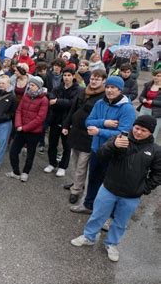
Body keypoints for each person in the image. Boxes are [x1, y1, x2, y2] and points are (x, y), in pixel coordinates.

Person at [71, 116, 160, 262]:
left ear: (150, 132)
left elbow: (158, 173)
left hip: (131, 195)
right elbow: (101, 155)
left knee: (120, 222)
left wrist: (144, 188)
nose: (138, 132)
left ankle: (111, 244)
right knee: (98, 215)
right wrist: (113, 146)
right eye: (136, 128)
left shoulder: (155, 150)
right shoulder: (118, 138)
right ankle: (88, 237)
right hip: (108, 188)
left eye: (143, 130)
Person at [71, 76, 136, 214]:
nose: (109, 90)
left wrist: (99, 131)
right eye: (107, 87)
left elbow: (123, 133)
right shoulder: (100, 103)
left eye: (113, 88)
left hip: (113, 152)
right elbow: (89, 122)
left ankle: (106, 215)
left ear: (120, 90)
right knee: (93, 178)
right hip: (97, 149)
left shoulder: (127, 109)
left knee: (109, 187)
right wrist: (104, 123)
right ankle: (88, 205)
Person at [62, 69, 107, 204]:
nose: (93, 81)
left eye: (97, 79)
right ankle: (77, 183)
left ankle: (76, 191)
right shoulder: (83, 91)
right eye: (93, 78)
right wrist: (66, 125)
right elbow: (73, 110)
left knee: (82, 165)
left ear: (103, 81)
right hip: (75, 133)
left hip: (88, 137)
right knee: (75, 163)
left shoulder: (103, 97)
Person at [6, 76, 48, 182]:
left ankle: (25, 172)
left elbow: (40, 118)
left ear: (38, 86)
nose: (30, 86)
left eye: (33, 85)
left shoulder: (44, 100)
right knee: (13, 151)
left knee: (30, 153)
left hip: (34, 132)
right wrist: (18, 125)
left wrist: (24, 128)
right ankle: (16, 172)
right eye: (30, 84)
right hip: (21, 130)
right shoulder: (26, 96)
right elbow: (19, 111)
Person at [44, 68, 80, 177]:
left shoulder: (78, 90)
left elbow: (72, 104)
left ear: (73, 76)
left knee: (66, 145)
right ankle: (52, 163)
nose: (66, 78)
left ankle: (63, 167)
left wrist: (57, 101)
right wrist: (55, 101)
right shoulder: (58, 87)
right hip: (55, 119)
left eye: (69, 75)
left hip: (68, 121)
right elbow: (51, 98)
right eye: (65, 75)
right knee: (52, 143)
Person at [138, 68, 161, 139]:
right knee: (139, 127)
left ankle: (150, 147)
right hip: (144, 108)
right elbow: (141, 96)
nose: (156, 77)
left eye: (158, 76)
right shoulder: (148, 84)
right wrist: (143, 99)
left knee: (153, 131)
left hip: (156, 112)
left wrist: (153, 102)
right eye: (154, 75)